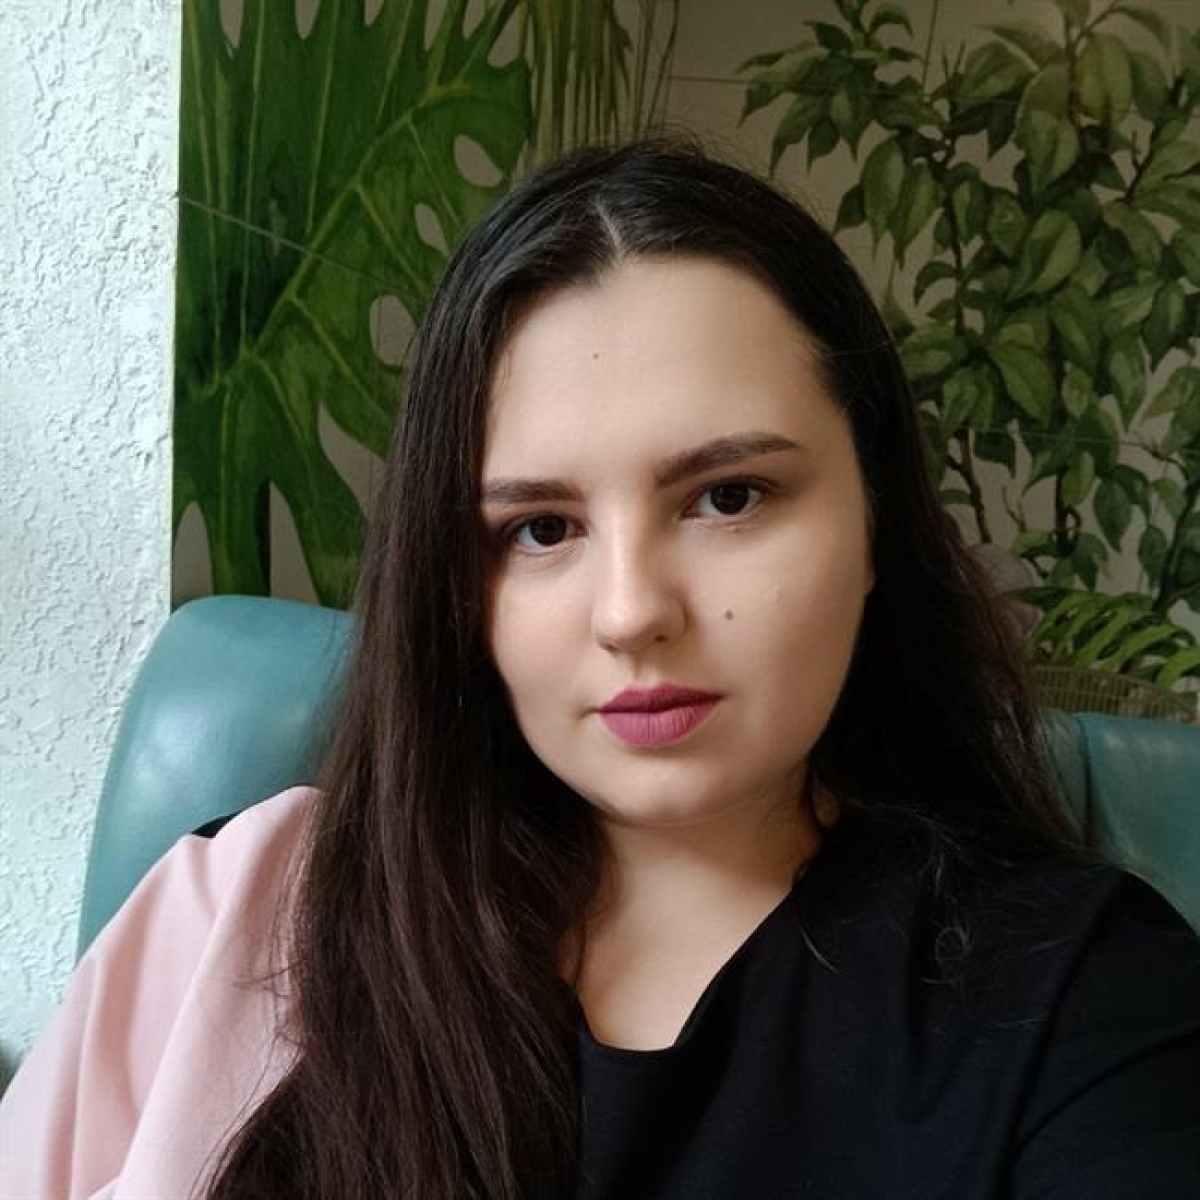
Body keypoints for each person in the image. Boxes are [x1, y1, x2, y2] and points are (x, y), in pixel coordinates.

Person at [3, 139, 1198, 1199]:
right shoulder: (237, 908)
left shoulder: (1078, 997)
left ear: (878, 517)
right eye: (539, 529)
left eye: (729, 497)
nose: (631, 614)